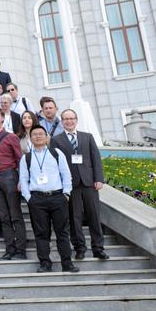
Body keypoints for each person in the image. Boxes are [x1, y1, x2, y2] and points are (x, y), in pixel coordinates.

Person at [51, 109, 110, 261]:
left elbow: (95, 159)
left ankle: (98, 248)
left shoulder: (87, 137)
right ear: (62, 121)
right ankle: (80, 248)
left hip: (89, 182)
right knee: (74, 218)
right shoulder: (56, 140)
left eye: (71, 118)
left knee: (94, 216)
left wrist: (99, 179)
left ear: (76, 120)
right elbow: (56, 164)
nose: (69, 121)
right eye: (65, 119)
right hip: (71, 184)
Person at [20, 125, 79, 273]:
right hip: (37, 200)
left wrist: (66, 193)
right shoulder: (26, 157)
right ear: (31, 138)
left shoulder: (56, 153)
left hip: (58, 197)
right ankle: (45, 263)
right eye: (35, 134)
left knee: (62, 233)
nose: (38, 136)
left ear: (47, 137)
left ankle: (67, 263)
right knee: (41, 234)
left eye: (41, 134)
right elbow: (24, 179)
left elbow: (66, 174)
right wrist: (28, 198)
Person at [0, 107, 27, 260]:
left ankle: (21, 249)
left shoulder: (11, 137)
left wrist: (22, 180)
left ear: (2, 118)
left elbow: (20, 159)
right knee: (4, 216)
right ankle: (10, 249)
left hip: (9, 176)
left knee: (15, 215)